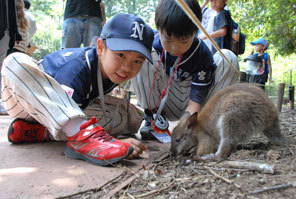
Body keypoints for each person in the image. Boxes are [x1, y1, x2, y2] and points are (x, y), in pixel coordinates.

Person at [1, 13, 154, 166]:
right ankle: (83, 138)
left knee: (121, 117)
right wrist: (112, 141)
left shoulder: (110, 70)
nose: (127, 67)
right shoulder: (76, 68)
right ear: (100, 47)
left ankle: (37, 132)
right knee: (14, 61)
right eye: (121, 55)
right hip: (26, 99)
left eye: (137, 61)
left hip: (63, 114)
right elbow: (64, 103)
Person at [131, 0, 239, 138]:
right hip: (161, 105)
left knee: (228, 58)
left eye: (183, 41)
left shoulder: (201, 53)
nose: (175, 48)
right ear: (158, 29)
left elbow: (196, 101)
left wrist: (185, 127)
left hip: (195, 107)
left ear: (195, 33)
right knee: (140, 51)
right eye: (168, 40)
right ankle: (153, 120)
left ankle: (209, 127)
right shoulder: (152, 42)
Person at [0, 0, 22, 115]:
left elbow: (11, 11)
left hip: (6, 32)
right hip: (4, 31)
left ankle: (4, 101)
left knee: (1, 68)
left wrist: (15, 33)